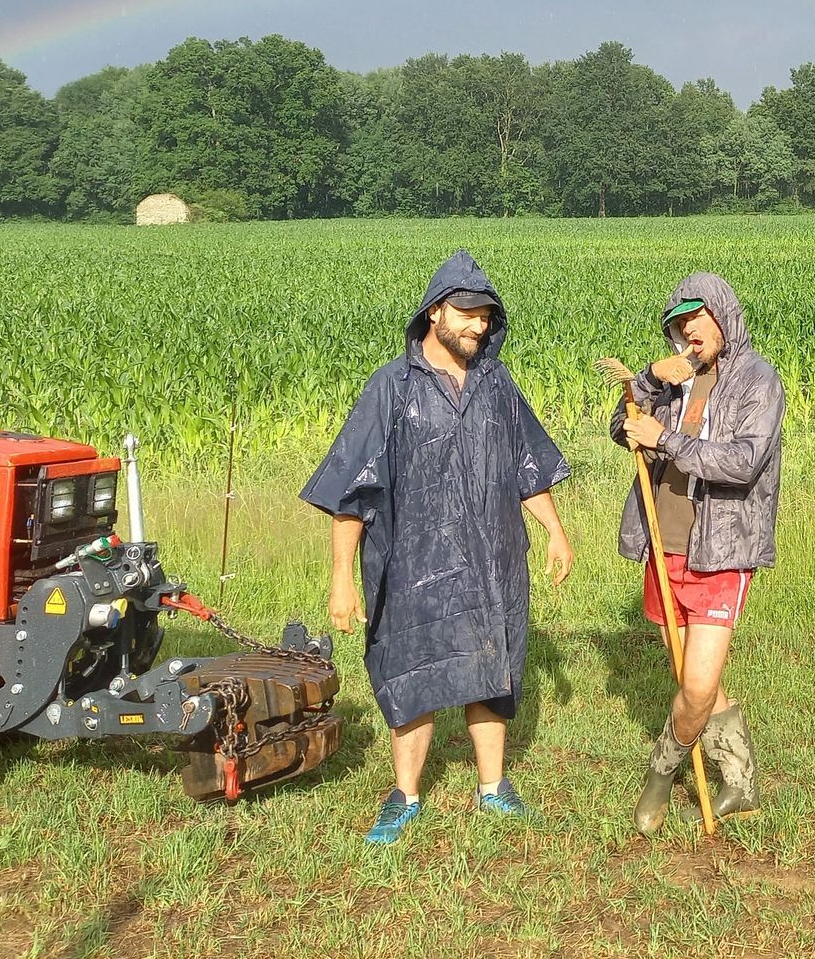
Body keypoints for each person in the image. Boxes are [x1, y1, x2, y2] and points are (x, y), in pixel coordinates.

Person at [301, 250, 573, 845]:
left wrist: (554, 530)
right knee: (411, 670)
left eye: (486, 315)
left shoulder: (497, 384)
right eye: (467, 312)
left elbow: (526, 464)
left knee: (493, 665)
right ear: (435, 313)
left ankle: (493, 788)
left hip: (493, 555)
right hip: (412, 563)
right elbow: (353, 489)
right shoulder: (391, 388)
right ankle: (405, 796)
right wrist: (341, 578)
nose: (479, 324)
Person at [611, 272, 782, 834]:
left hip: (723, 547)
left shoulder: (757, 380)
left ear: (722, 315)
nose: (687, 329)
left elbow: (743, 462)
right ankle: (740, 780)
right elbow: (622, 425)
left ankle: (660, 774)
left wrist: (665, 439)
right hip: (664, 543)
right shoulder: (672, 380)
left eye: (696, 317)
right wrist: (645, 381)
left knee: (700, 685)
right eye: (679, 321)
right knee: (690, 678)